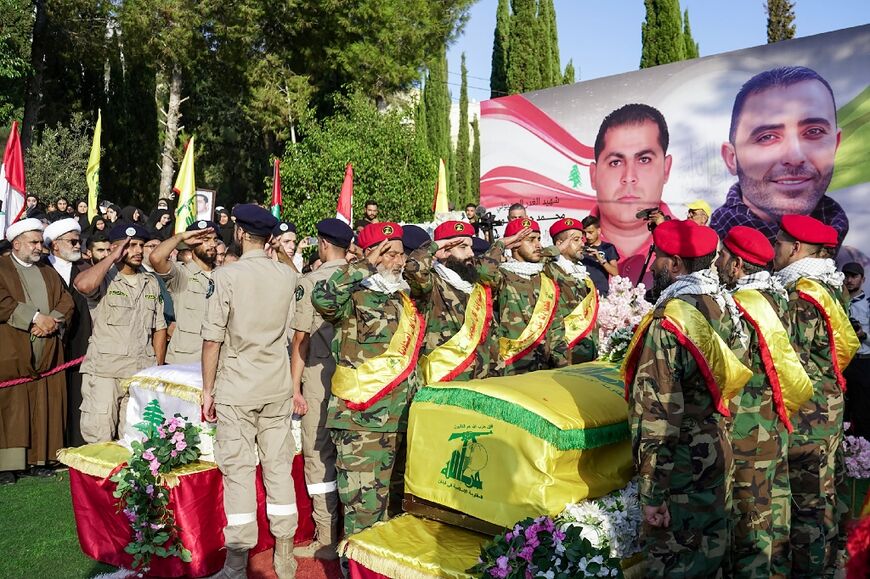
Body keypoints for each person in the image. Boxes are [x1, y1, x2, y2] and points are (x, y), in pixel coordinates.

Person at [623, 219, 751, 576]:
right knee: (711, 557)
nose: (654, 266)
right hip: (716, 451)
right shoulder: (725, 306)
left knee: (677, 564)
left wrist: (651, 495)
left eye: (659, 258)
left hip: (680, 469)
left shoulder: (673, 320)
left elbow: (657, 414)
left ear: (675, 264)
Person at [201, 204, 299, 578]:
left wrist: (207, 390)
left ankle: (237, 563)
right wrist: (283, 255)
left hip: (238, 387)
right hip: (276, 385)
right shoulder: (285, 277)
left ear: (240, 233)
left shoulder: (226, 276)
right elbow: (300, 285)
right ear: (271, 237)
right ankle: (285, 555)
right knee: (279, 469)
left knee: (239, 472)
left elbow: (212, 340)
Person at [311, 222, 423, 546]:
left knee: (398, 516)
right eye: (389, 254)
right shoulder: (353, 294)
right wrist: (363, 264)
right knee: (364, 517)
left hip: (404, 420)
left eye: (401, 254)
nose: (397, 261)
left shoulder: (405, 296)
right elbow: (323, 300)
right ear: (369, 254)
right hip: (363, 426)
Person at [717, 226, 809, 577]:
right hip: (775, 423)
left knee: (749, 527)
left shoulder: (741, 307)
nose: (719, 262)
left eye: (723, 256)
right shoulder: (781, 297)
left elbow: (726, 369)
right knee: (775, 514)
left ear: (737, 265)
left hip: (746, 431)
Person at [772, 214, 859, 576]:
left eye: (778, 243)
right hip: (829, 405)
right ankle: (831, 560)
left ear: (794, 248)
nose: (774, 249)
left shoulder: (802, 295)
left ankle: (812, 570)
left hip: (809, 412)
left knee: (808, 500)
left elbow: (793, 362)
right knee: (825, 492)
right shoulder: (829, 286)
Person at [712, 66, 845, 248]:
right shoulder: (702, 260)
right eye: (767, 137)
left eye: (814, 131)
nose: (795, 156)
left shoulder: (854, 264)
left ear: (835, 145)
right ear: (731, 158)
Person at [290, 218, 355, 560]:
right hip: (360, 379)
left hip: (320, 375)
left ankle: (328, 537)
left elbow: (300, 338)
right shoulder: (362, 278)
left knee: (319, 455)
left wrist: (293, 387)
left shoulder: (311, 282)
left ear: (323, 244)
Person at [74, 223, 168, 443]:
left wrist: (156, 370)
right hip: (105, 372)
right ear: (115, 248)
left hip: (139, 371)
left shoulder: (151, 282)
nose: (137, 251)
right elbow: (83, 285)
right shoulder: (104, 278)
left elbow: (159, 328)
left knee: (136, 440)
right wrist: (111, 257)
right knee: (100, 437)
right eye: (130, 246)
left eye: (140, 245)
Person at [0, 219, 74, 485]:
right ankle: (7, 465)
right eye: (33, 242)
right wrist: (33, 318)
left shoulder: (47, 270)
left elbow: (66, 300)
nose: (38, 247)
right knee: (12, 408)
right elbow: (2, 301)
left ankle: (39, 459)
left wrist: (51, 321)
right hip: (11, 351)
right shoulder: (2, 267)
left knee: (44, 404)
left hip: (47, 350)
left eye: (39, 242)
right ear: (16, 243)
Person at [589, 103, 676, 284]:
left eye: (644, 159)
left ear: (666, 169)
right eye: (615, 162)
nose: (629, 177)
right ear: (593, 175)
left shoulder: (686, 245)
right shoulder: (572, 248)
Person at [405, 220, 496, 383]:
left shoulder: (477, 287)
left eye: (470, 247)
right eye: (463, 247)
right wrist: (434, 246)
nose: (471, 254)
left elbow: (491, 337)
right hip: (444, 381)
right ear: (443, 252)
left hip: (481, 381)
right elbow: (414, 268)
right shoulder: (432, 284)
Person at [478, 218, 561, 376]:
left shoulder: (544, 278)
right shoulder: (502, 276)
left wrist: (562, 364)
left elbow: (556, 326)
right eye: (531, 240)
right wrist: (501, 244)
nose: (538, 245)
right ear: (515, 244)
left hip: (544, 368)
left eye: (539, 239)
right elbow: (483, 271)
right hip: (510, 367)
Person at [43, 218, 93, 448]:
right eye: (73, 241)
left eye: (79, 241)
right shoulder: (41, 268)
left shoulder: (84, 269)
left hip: (79, 343)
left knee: (77, 394)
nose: (77, 246)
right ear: (55, 244)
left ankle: (75, 441)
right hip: (50, 342)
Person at [149, 220, 218, 364]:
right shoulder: (181, 274)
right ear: (191, 243)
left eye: (215, 240)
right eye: (206, 240)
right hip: (185, 359)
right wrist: (180, 237)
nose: (212, 245)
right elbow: (156, 258)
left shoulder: (224, 275)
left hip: (216, 358)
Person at [546, 218, 598, 366]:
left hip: (587, 350)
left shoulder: (580, 270)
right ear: (559, 244)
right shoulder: (551, 269)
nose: (582, 243)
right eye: (576, 240)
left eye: (581, 239)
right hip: (565, 352)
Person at [843, 262, 870, 438]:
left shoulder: (868, 304)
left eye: (854, 276)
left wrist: (863, 334)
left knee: (863, 411)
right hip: (841, 363)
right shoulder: (835, 303)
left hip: (863, 363)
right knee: (840, 410)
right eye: (846, 276)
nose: (849, 280)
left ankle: (863, 457)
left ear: (863, 279)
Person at [581, 216, 619, 295]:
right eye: (584, 233)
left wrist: (601, 259)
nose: (587, 236)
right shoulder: (580, 248)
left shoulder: (608, 247)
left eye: (590, 232)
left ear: (598, 231)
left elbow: (615, 273)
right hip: (582, 292)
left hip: (601, 292)